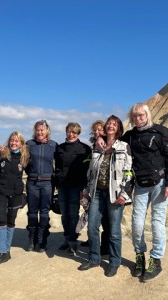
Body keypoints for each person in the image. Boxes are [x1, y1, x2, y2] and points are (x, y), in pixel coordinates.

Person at [122, 103, 168, 281]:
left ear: (147, 115)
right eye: (134, 116)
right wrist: (99, 137)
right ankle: (139, 255)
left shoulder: (160, 131)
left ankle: (156, 259)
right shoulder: (129, 136)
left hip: (160, 184)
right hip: (140, 184)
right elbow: (114, 143)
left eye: (141, 115)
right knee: (137, 224)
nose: (138, 119)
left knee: (157, 222)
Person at [78, 115, 133, 277]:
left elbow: (129, 172)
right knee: (92, 227)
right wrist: (87, 191)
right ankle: (94, 258)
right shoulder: (98, 146)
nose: (110, 125)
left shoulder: (124, 146)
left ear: (118, 129)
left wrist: (125, 193)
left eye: (114, 124)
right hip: (97, 193)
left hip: (115, 194)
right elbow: (91, 172)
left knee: (114, 231)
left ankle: (115, 262)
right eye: (108, 123)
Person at [0, 131, 30, 266]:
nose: (13, 143)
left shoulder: (25, 157)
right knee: (1, 221)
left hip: (16, 193)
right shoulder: (1, 155)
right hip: (1, 192)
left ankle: (6, 251)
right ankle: (1, 252)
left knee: (11, 222)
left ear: (21, 143)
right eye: (12, 140)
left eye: (17, 141)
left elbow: (31, 172)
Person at [54, 122, 91, 255]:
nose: (71, 134)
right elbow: (57, 167)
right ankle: (66, 238)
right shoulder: (60, 148)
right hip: (63, 186)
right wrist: (58, 179)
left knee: (73, 214)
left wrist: (83, 189)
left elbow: (86, 170)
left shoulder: (85, 149)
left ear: (78, 134)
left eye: (74, 132)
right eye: (69, 131)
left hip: (76, 187)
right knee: (64, 215)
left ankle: (73, 241)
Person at [25, 120, 58, 252]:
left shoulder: (53, 145)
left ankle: (42, 240)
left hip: (47, 183)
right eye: (38, 130)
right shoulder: (29, 144)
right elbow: (24, 161)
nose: (40, 132)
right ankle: (31, 240)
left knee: (44, 213)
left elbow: (60, 163)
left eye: (42, 130)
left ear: (47, 131)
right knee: (32, 213)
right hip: (32, 182)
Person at [80, 120, 110, 255]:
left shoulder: (107, 144)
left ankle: (105, 246)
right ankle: (93, 241)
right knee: (90, 215)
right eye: (95, 130)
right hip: (91, 185)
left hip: (104, 186)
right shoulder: (93, 146)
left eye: (100, 129)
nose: (97, 132)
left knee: (105, 218)